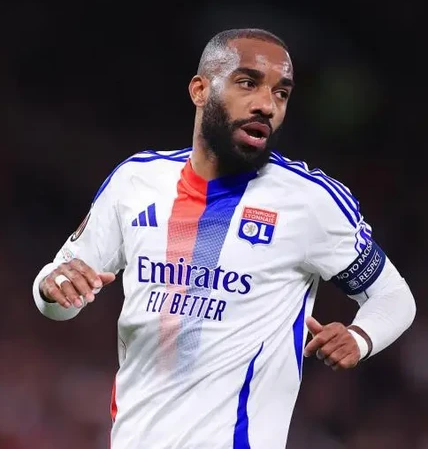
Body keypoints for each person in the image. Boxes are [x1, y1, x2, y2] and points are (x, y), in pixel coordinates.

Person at [32, 28, 416, 449]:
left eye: (282, 93)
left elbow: (393, 296)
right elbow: (59, 298)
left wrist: (361, 337)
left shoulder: (309, 202)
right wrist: (52, 288)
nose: (267, 105)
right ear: (200, 90)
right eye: (248, 83)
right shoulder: (135, 182)